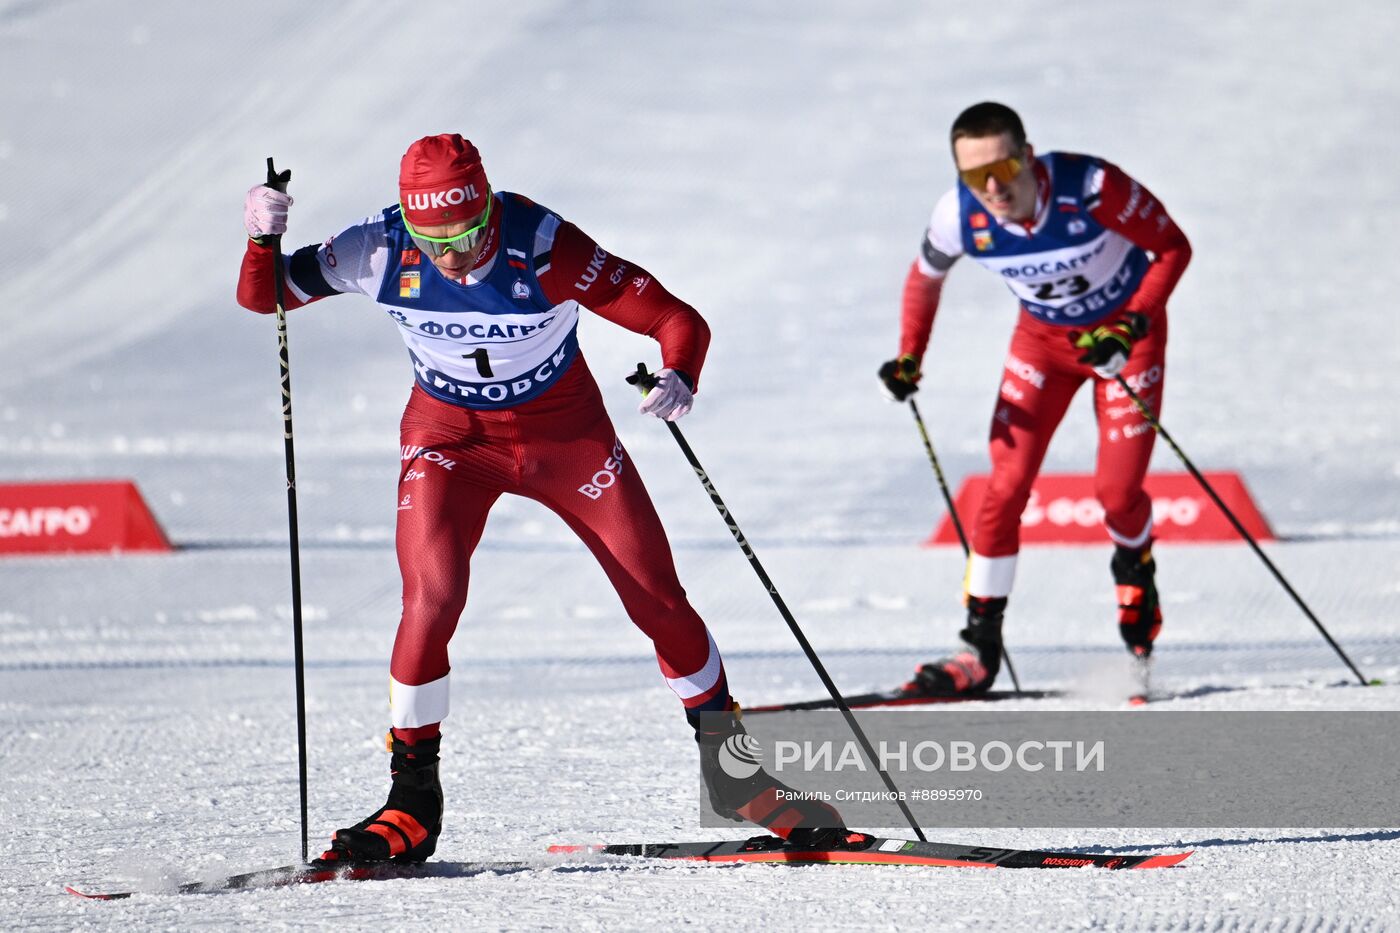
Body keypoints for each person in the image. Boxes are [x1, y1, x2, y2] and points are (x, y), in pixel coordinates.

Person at [238, 134, 841, 863]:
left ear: (488, 210)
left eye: (466, 235)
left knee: (658, 599)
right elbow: (265, 297)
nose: (451, 256)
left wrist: (681, 371)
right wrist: (262, 241)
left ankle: (738, 777)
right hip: (451, 441)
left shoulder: (545, 245)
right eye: (434, 241)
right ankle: (412, 800)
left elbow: (676, 319)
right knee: (431, 597)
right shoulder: (376, 247)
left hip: (565, 437)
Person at [877, 102, 1192, 696]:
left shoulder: (1090, 186)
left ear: (1028, 156)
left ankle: (1137, 605)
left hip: (1123, 343)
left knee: (1117, 494)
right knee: (1004, 487)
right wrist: (910, 356)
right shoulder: (958, 214)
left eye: (1003, 168)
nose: (993, 188)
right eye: (975, 176)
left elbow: (1173, 248)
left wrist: (1132, 324)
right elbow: (924, 278)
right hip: (1043, 346)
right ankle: (978, 649)